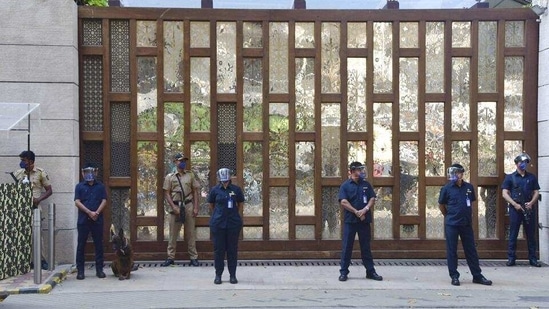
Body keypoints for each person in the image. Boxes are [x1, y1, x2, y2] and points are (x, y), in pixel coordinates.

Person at [438, 163, 492, 286]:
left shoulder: (469, 187)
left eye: (456, 173)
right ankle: (454, 276)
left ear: (461, 174)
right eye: (452, 173)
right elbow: (441, 205)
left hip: (466, 224)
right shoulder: (446, 188)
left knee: (471, 250)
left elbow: (471, 202)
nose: (454, 175)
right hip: (452, 224)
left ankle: (477, 276)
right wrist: (448, 216)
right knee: (452, 251)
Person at [338, 161, 383, 282]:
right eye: (359, 170)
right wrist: (356, 211)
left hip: (364, 221)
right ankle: (343, 272)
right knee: (347, 247)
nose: (361, 172)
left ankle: (370, 271)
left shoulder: (366, 185)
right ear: (352, 171)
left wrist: (365, 209)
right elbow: (343, 202)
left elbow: (372, 198)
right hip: (351, 221)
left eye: (362, 169)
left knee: (366, 247)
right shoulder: (345, 186)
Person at [13, 150, 53, 270]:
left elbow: (49, 190)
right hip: (21, 208)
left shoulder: (40, 173)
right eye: (21, 160)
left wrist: (39, 199)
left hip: (35, 208)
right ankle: (24, 260)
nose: (21, 163)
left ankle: (41, 260)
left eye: (23, 160)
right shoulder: (18, 173)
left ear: (31, 161)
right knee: (22, 235)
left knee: (37, 235)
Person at [501, 153, 541, 267]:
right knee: (513, 234)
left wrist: (531, 203)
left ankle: (533, 259)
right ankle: (511, 258)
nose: (523, 164)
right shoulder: (510, 177)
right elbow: (504, 193)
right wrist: (514, 204)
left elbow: (536, 192)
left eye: (525, 163)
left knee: (531, 234)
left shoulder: (531, 177)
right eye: (521, 162)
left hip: (528, 208)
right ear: (516, 163)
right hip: (515, 209)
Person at [161, 153, 201, 267]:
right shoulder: (170, 177)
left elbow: (195, 191)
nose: (183, 162)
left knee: (190, 233)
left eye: (184, 160)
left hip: (188, 205)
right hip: (175, 206)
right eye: (180, 160)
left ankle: (193, 257)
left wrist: (196, 207)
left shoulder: (190, 175)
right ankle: (170, 257)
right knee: (173, 233)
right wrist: (173, 207)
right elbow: (167, 193)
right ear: (175, 162)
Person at [208, 168, 245, 284]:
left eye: (226, 181)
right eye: (223, 181)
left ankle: (232, 275)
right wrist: (219, 215)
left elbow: (240, 204)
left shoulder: (236, 190)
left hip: (233, 224)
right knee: (219, 250)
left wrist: (234, 215)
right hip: (218, 224)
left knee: (232, 250)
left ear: (229, 179)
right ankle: (218, 275)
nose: (225, 183)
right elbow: (211, 205)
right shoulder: (215, 190)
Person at [74, 164, 107, 280]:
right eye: (86, 172)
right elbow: (77, 202)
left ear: (96, 172)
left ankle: (99, 270)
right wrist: (89, 212)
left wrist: (96, 213)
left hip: (97, 219)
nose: (89, 174)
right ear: (83, 173)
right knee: (81, 245)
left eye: (92, 172)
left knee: (98, 245)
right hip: (83, 220)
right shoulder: (79, 187)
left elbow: (104, 200)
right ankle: (80, 271)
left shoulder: (101, 187)